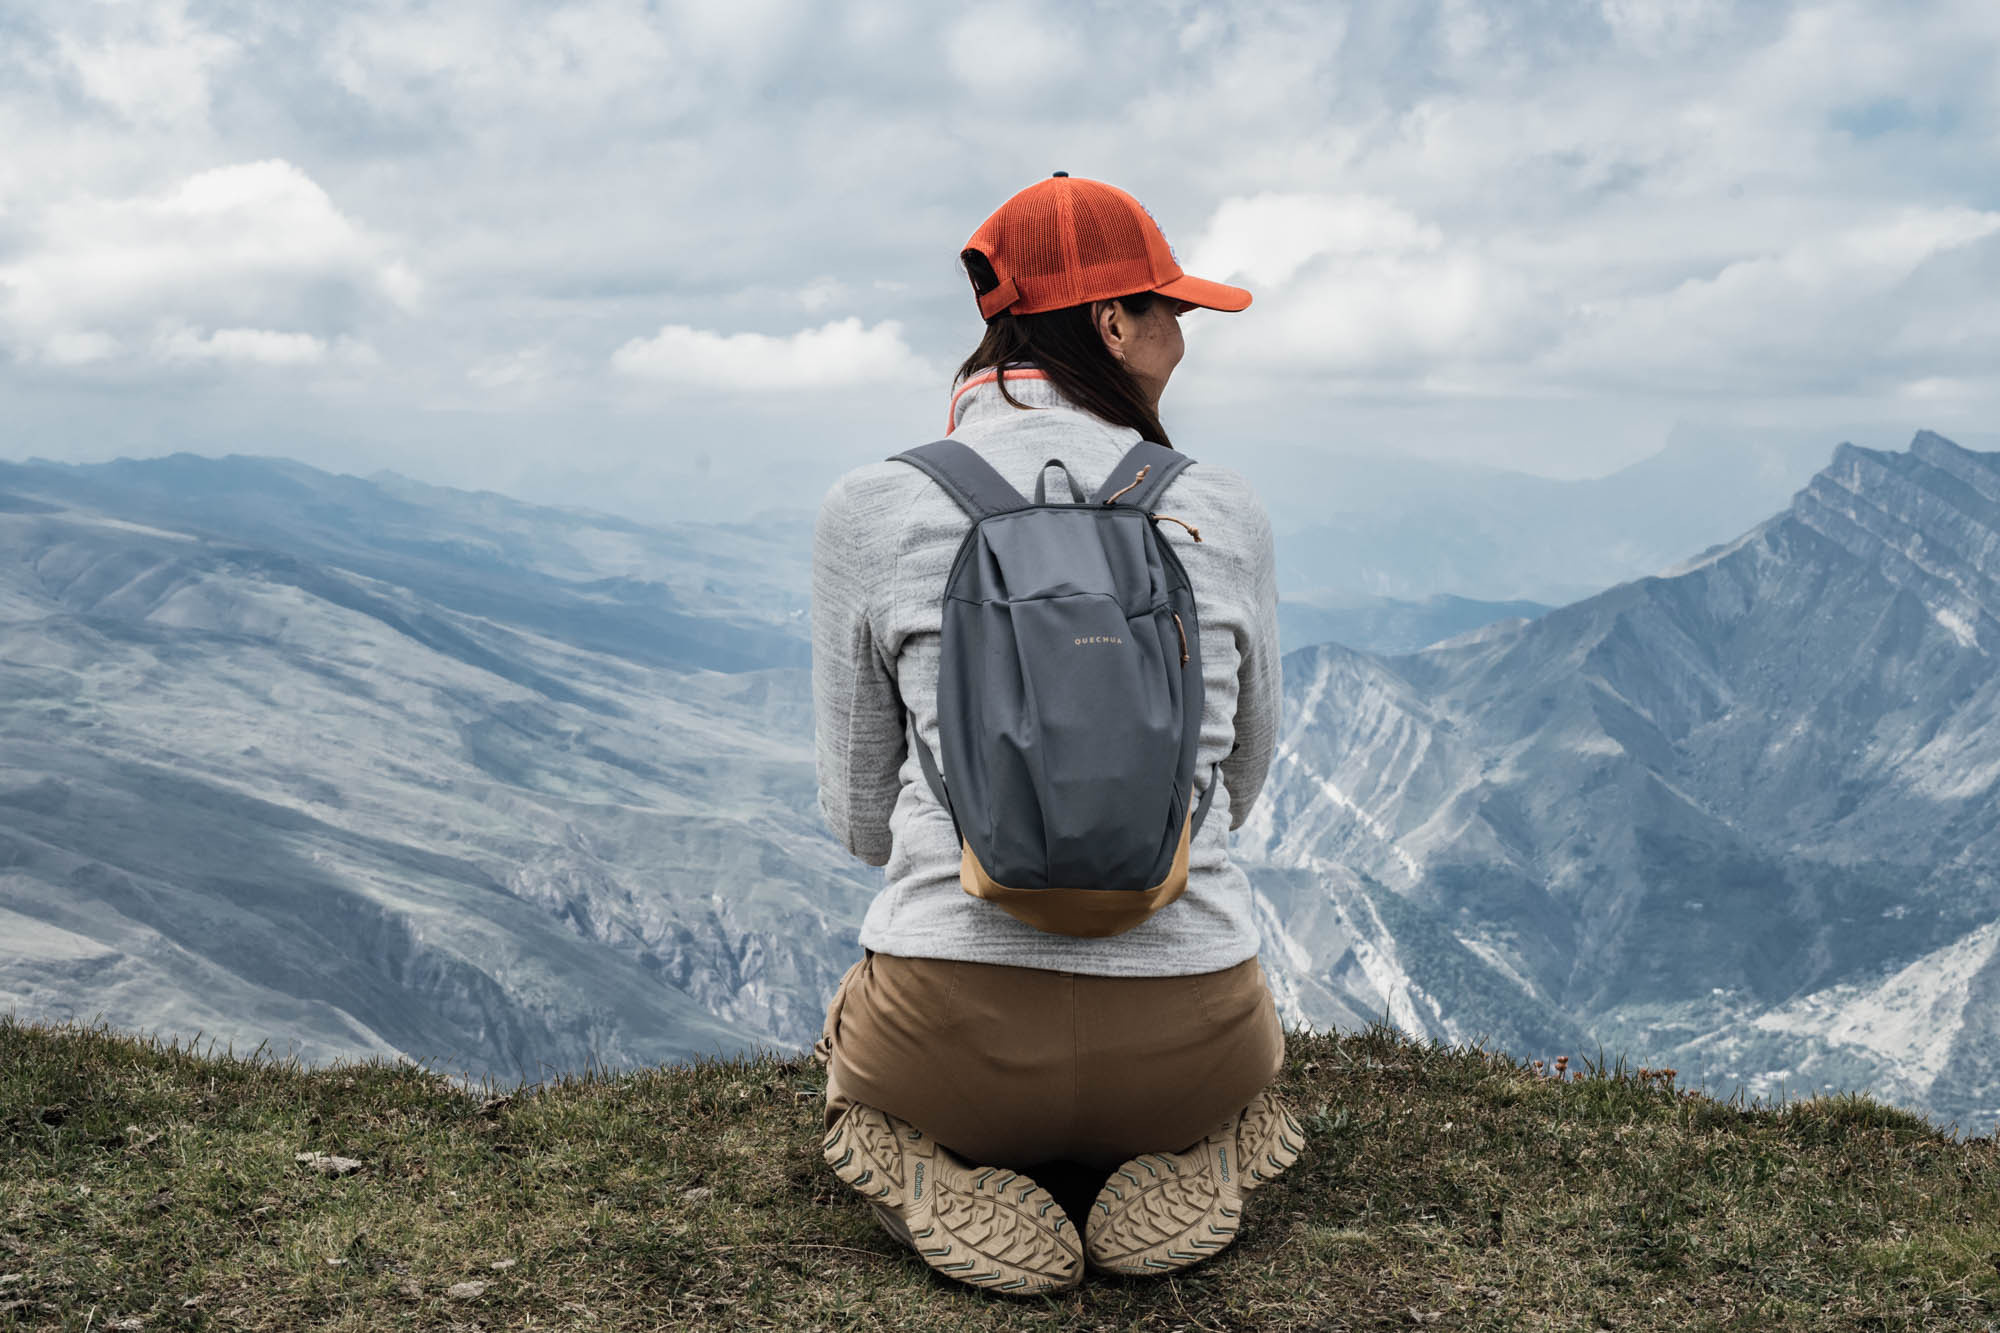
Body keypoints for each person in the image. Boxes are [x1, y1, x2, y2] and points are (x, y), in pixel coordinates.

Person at [809, 172, 1301, 1296]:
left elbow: (856, 820)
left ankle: (907, 1146)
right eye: (1167, 309)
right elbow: (1238, 784)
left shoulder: (870, 509)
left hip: (948, 1046)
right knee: (1248, 1054)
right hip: (1195, 1036)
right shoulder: (1221, 509)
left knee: (848, 1036)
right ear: (1109, 322)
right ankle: (1216, 1139)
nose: (1181, 336)